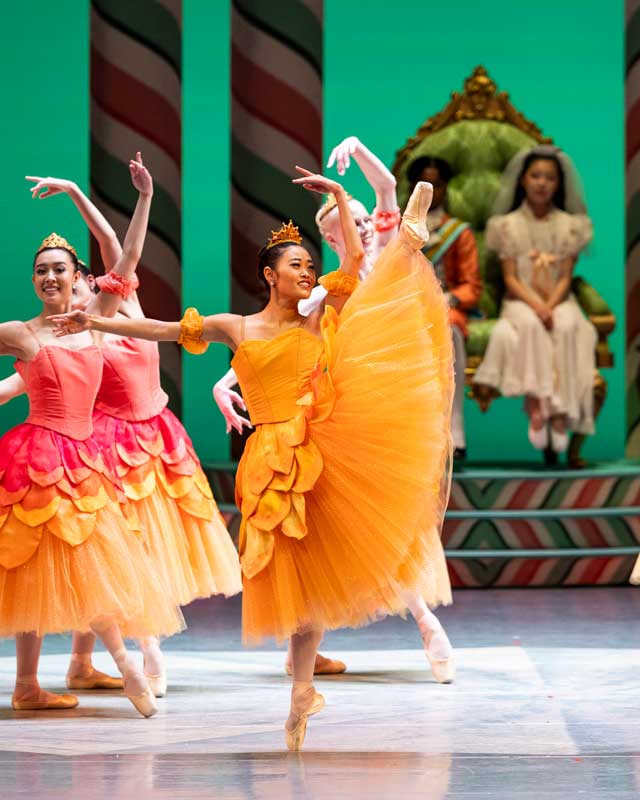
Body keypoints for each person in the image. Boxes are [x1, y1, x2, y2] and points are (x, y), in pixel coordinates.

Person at [49, 167, 454, 750]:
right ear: (270, 275)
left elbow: (344, 274)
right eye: (296, 266)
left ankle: (406, 239)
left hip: (320, 441)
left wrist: (341, 195)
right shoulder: (237, 327)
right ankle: (302, 691)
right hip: (268, 459)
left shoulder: (316, 312)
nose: (307, 273)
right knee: (295, 579)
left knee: (367, 315)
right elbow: (162, 328)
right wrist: (95, 320)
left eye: (308, 266)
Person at [214, 139, 456, 683]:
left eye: (367, 217)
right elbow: (278, 345)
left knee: (391, 513)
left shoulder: (383, 251)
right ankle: (397, 626)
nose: (365, 224)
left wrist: (357, 154)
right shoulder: (323, 287)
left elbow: (388, 187)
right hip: (345, 399)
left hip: (393, 393)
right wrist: (224, 381)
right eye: (347, 224)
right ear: (329, 238)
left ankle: (419, 623)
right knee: (338, 520)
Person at [8, 164, 243, 697]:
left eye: (72, 273)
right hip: (99, 447)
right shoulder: (50, 334)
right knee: (95, 552)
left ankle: (93, 664)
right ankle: (129, 656)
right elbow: (22, 383)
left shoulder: (114, 313)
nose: (76, 284)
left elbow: (121, 248)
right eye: (49, 272)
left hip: (147, 438)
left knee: (110, 552)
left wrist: (116, 195)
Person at [0, 155, 184, 717]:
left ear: (76, 277)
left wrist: (146, 197)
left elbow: (125, 257)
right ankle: (112, 669)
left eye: (60, 268)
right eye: (42, 270)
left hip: (87, 460)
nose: (51, 276)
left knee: (83, 567)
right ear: (33, 280)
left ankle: (37, 683)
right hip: (39, 460)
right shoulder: (20, 333)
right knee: (43, 569)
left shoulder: (93, 320)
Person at [473, 145, 596, 455]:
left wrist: (551, 305)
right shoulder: (507, 226)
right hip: (520, 301)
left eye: (550, 178)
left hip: (558, 299)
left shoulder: (570, 225)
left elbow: (566, 277)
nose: (542, 183)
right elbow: (511, 278)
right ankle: (538, 405)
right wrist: (537, 306)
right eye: (536, 176)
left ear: (559, 183)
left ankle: (560, 412)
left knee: (569, 327)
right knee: (530, 325)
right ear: (523, 180)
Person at [406, 156, 482, 460]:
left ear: (446, 187)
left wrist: (448, 298)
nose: (432, 189)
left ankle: (454, 425)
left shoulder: (458, 232)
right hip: (406, 304)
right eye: (424, 182)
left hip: (445, 306)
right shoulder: (399, 226)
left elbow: (471, 285)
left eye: (438, 183)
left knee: (448, 329)